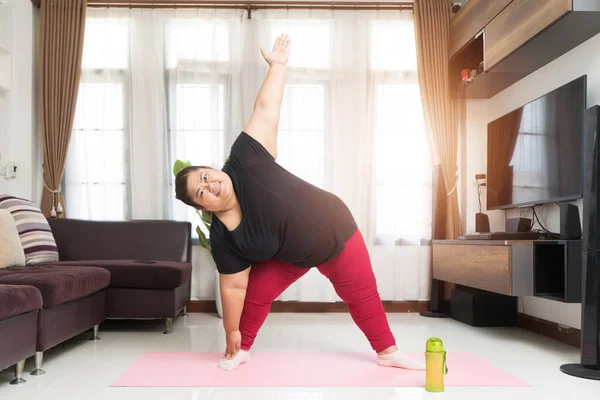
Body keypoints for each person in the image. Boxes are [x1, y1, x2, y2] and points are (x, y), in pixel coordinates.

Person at [175, 34, 425, 372]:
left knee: (362, 296)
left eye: (205, 176)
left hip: (337, 231)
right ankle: (243, 350)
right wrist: (231, 331)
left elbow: (265, 110)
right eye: (200, 191)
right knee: (257, 293)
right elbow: (233, 285)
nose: (210, 185)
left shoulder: (245, 158)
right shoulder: (223, 235)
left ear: (213, 169)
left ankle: (388, 352)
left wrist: (278, 67)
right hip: (290, 256)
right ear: (201, 207)